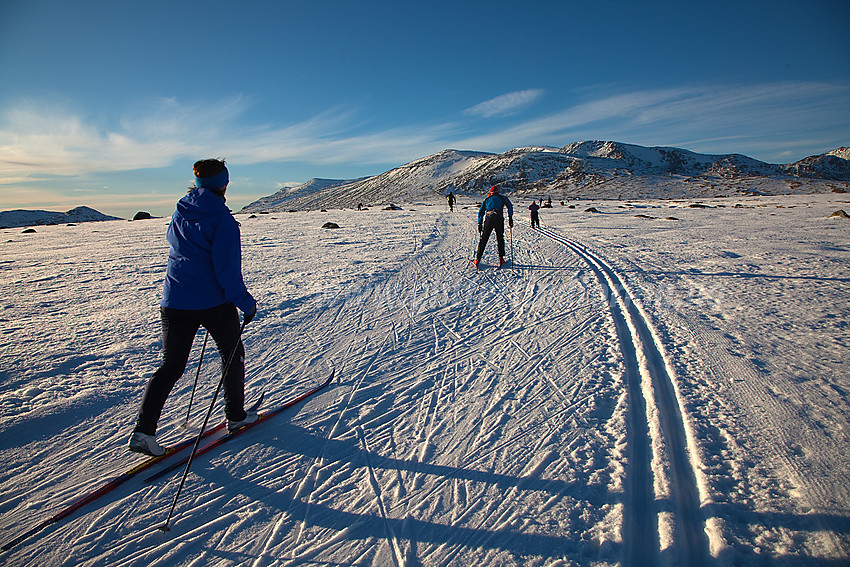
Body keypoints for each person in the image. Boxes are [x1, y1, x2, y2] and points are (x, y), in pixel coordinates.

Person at [128, 159, 259, 457]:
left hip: (174, 299)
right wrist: (246, 304)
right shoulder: (223, 220)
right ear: (224, 184)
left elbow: (175, 244)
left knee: (171, 365)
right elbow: (227, 272)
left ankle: (143, 432)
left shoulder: (181, 211)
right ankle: (235, 416)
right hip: (212, 302)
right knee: (232, 353)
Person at [474, 185, 513, 267]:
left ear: (491, 192)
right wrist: (510, 217)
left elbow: (481, 212)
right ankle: (501, 258)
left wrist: (479, 223)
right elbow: (510, 206)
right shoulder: (502, 198)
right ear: (498, 191)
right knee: (500, 238)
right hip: (499, 219)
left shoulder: (487, 199)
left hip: (489, 219)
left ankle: (478, 259)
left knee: (484, 238)